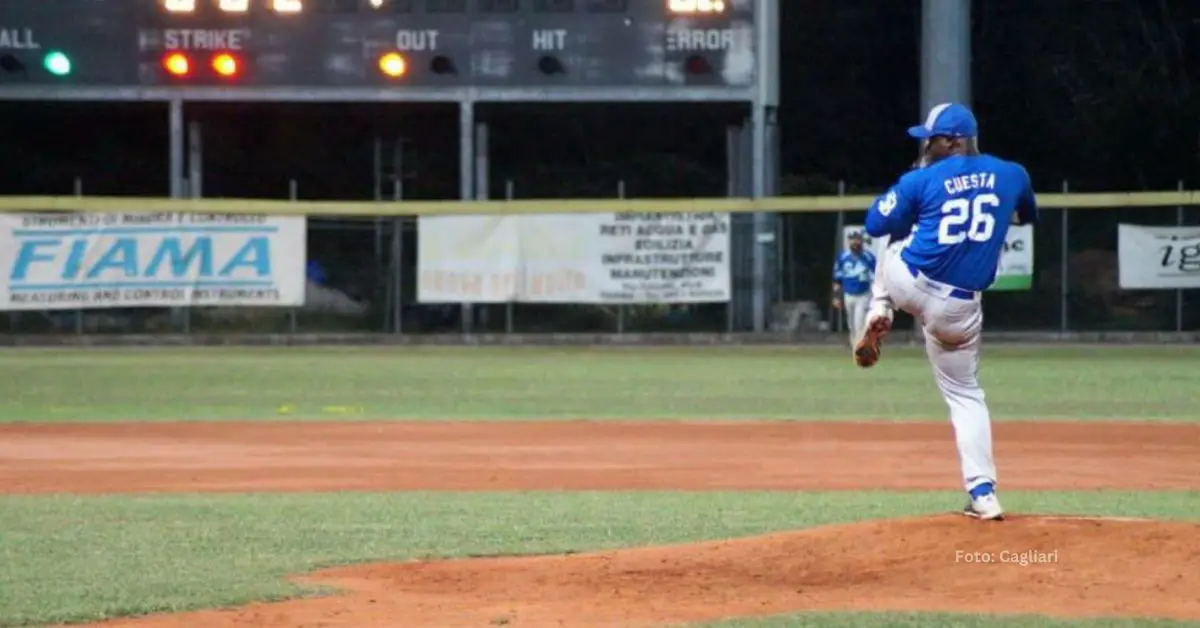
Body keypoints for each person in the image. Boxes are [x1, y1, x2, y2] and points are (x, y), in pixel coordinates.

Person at [853, 102, 1039, 521]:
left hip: (909, 282)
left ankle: (879, 307)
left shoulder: (921, 178)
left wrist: (912, 188)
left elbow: (873, 224)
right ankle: (984, 494)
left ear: (954, 140)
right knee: (966, 395)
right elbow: (1025, 215)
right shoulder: (1014, 173)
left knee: (895, 237)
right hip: (959, 308)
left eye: (931, 139)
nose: (926, 145)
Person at [831, 232, 876, 346]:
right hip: (848, 294)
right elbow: (837, 279)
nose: (854, 242)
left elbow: (877, 276)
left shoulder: (868, 257)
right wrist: (836, 297)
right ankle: (855, 346)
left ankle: (859, 347)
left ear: (861, 240)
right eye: (852, 239)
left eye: (857, 239)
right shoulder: (843, 257)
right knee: (851, 325)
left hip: (863, 294)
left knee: (859, 322)